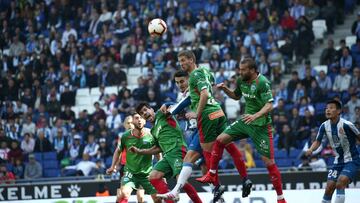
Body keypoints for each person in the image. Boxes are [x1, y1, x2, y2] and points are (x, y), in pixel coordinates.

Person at [197, 58, 287, 203]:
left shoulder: (262, 82)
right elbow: (236, 96)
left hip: (261, 126)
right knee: (220, 140)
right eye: (240, 69)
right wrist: (226, 90)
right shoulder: (241, 80)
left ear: (252, 70)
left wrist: (256, 115)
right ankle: (212, 173)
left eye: (243, 69)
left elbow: (269, 105)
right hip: (245, 121)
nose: (240, 72)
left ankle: (280, 198)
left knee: (269, 162)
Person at [174, 50, 252, 202]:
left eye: (184, 60)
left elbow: (203, 94)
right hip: (218, 111)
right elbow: (211, 83)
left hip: (206, 116)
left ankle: (216, 187)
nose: (182, 64)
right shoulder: (205, 71)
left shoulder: (195, 75)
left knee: (207, 154)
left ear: (191, 59)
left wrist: (197, 112)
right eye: (180, 61)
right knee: (231, 147)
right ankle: (245, 179)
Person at [132, 103, 202, 203]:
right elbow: (158, 148)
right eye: (142, 113)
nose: (145, 113)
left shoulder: (162, 114)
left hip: (177, 150)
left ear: (152, 109)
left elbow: (175, 105)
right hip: (167, 156)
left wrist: (166, 104)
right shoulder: (153, 130)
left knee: (182, 181)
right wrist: (140, 151)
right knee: (153, 176)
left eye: (145, 110)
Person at [305, 100, 360, 203]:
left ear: (339, 111)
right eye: (326, 108)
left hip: (352, 160)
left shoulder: (347, 125)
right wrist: (311, 149)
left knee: (340, 182)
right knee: (329, 187)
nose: (328, 110)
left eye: (331, 108)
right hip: (338, 161)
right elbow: (317, 141)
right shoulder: (324, 126)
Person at [106, 113, 152, 203]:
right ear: (124, 125)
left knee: (141, 197)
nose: (130, 125)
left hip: (141, 169)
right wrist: (114, 166)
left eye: (131, 122)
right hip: (126, 168)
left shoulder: (144, 134)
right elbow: (118, 151)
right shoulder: (124, 137)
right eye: (128, 123)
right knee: (121, 195)